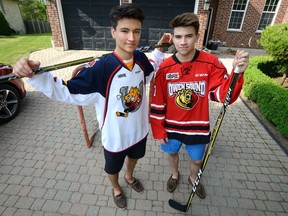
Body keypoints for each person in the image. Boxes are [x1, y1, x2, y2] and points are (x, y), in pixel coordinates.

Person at [13, 3, 171, 209]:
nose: (131, 38)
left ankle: (130, 177)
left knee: (135, 158)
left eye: (136, 31)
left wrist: (160, 48)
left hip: (140, 131)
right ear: (113, 32)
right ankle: (116, 188)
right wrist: (34, 75)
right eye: (125, 31)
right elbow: (66, 91)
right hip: (115, 137)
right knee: (112, 168)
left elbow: (150, 72)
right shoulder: (101, 68)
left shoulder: (140, 58)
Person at [149, 12, 249, 199]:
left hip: (198, 128)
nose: (183, 42)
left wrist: (237, 74)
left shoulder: (211, 63)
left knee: (197, 159)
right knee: (172, 154)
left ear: (197, 36)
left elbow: (222, 96)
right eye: (178, 37)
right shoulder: (165, 67)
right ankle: (175, 174)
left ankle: (193, 178)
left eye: (188, 36)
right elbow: (157, 101)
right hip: (171, 127)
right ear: (173, 38)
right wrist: (158, 129)